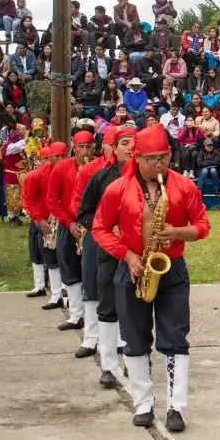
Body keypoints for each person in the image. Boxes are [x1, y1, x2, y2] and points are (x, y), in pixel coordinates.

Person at [92, 124, 210, 432]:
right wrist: (129, 257)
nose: (160, 164)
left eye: (164, 157)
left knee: (175, 338)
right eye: (152, 159)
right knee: (134, 338)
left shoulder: (184, 186)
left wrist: (178, 232)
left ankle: (176, 408)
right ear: (137, 158)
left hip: (171, 268)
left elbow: (203, 225)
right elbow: (99, 229)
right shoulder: (117, 189)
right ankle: (142, 402)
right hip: (132, 269)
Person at [77, 128, 136, 388]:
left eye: (135, 143)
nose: (130, 147)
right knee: (108, 307)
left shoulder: (151, 178)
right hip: (109, 252)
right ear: (113, 147)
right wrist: (105, 227)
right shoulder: (101, 177)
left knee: (136, 308)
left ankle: (136, 363)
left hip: (139, 254)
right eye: (125, 143)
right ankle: (109, 366)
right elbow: (85, 212)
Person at [69, 127, 119, 359]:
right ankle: (90, 337)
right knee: (91, 283)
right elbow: (77, 205)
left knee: (119, 284)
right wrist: (100, 224)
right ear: (107, 146)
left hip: (123, 237)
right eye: (117, 143)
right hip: (95, 233)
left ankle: (119, 337)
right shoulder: (91, 170)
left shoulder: (136, 171)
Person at [47, 131, 94, 331]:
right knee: (68, 267)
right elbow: (52, 199)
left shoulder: (99, 167)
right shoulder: (61, 169)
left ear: (94, 147)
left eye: (88, 146)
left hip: (93, 226)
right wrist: (68, 222)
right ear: (73, 148)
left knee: (92, 271)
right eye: (80, 147)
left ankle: (95, 318)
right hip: (70, 225)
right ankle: (76, 315)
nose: (84, 151)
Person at [21, 146, 56, 298]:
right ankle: (39, 284)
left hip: (55, 219)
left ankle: (57, 288)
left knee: (54, 255)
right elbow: (28, 199)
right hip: (38, 219)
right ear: (40, 160)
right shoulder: (33, 176)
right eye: (45, 158)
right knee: (36, 250)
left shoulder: (59, 174)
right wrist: (35, 217)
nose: (48, 161)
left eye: (50, 158)